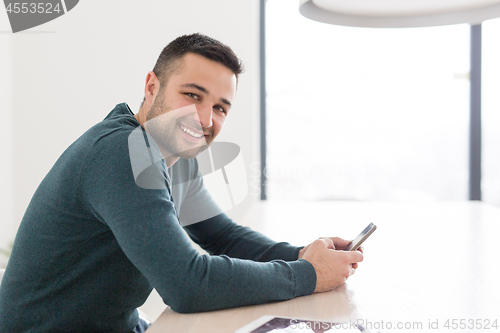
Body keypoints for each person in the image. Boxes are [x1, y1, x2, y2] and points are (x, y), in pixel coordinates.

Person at [0, 33, 363, 333]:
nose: (205, 118)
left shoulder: (172, 156)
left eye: (221, 107)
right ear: (151, 86)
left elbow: (224, 237)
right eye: (192, 95)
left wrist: (304, 255)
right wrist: (308, 274)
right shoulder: (122, 153)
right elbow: (187, 285)